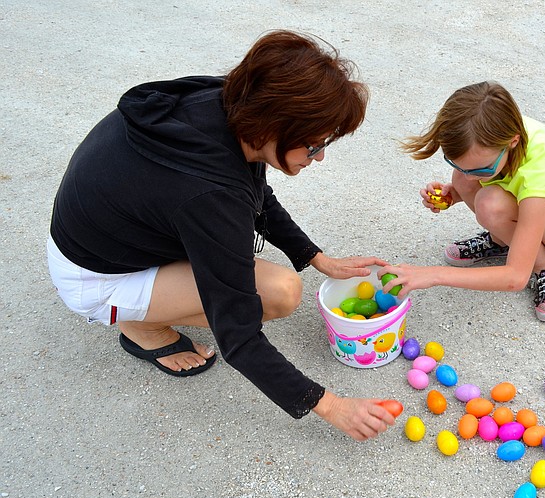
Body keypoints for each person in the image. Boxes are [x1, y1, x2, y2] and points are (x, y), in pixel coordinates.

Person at [47, 30, 397, 441]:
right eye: (315, 143)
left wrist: (315, 256)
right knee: (278, 294)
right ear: (273, 125)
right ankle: (138, 325)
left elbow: (254, 190)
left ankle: (144, 306)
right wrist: (332, 405)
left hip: (117, 238)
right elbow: (239, 335)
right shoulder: (208, 195)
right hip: (97, 278)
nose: (320, 156)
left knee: (276, 284)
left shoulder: (228, 103)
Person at [380, 81, 545, 322]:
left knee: (490, 204)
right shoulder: (493, 130)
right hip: (534, 207)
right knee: (466, 183)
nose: (470, 175)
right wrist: (455, 193)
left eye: (482, 170)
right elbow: (475, 176)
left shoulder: (540, 171)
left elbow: (515, 278)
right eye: (454, 162)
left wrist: (432, 275)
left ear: (513, 142)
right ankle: (505, 240)